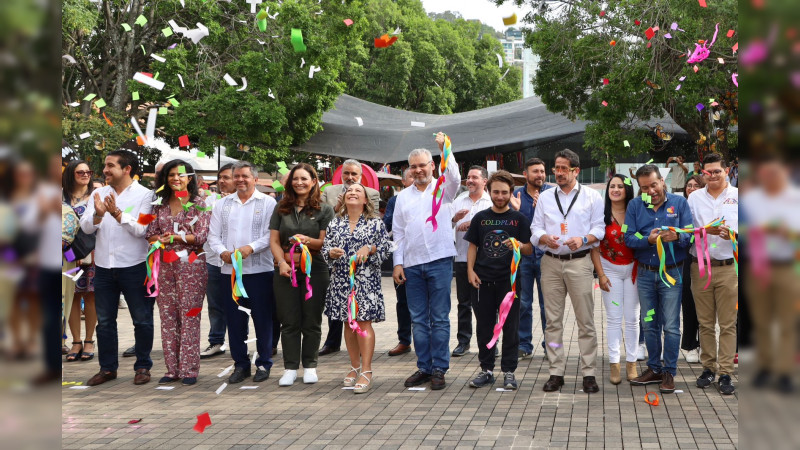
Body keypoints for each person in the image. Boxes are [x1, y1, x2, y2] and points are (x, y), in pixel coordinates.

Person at [530, 149, 604, 393]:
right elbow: (535, 228)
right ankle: (556, 372)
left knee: (586, 321)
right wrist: (543, 237)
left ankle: (589, 373)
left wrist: (583, 239)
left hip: (580, 262)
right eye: (557, 168)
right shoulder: (546, 197)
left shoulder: (592, 197)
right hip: (550, 263)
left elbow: (600, 230)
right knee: (553, 322)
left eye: (564, 168)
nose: (559, 173)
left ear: (576, 171)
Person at [80, 149, 155, 386]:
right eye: (105, 165)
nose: (105, 170)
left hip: (135, 266)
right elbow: (86, 227)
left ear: (127, 169)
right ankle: (107, 368)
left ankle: (142, 366)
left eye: (110, 165)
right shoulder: (99, 193)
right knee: (104, 322)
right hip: (104, 266)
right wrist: (98, 214)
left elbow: (143, 229)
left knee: (142, 320)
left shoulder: (146, 195)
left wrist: (117, 213)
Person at [393, 133, 461, 390]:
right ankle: (424, 367)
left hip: (439, 260)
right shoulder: (402, 197)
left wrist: (445, 149)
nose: (418, 170)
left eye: (423, 165)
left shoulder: (443, 188)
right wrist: (397, 263)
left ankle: (439, 368)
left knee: (439, 318)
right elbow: (398, 232)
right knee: (419, 319)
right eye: (414, 166)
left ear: (433, 165)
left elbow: (455, 177)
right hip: (412, 264)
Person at [625, 164, 692, 394]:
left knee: (671, 325)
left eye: (654, 185)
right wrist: (648, 240)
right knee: (649, 323)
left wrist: (677, 237)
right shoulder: (635, 205)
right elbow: (628, 237)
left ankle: (669, 372)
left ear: (662, 181)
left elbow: (690, 235)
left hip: (672, 274)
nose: (651, 191)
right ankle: (654, 368)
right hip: (645, 274)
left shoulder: (679, 203)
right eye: (645, 187)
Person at [208, 161, 278, 384]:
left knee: (263, 319)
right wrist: (222, 252)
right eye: (236, 176)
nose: (240, 180)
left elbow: (271, 235)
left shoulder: (268, 202)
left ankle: (264, 363)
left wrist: (251, 248)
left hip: (260, 270)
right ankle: (240, 364)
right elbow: (213, 236)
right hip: (229, 272)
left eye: (245, 176)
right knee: (235, 320)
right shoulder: (222, 204)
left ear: (255, 179)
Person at [145, 160, 211, 385]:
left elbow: (200, 236)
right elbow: (150, 233)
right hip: (164, 265)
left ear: (189, 178)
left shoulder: (199, 203)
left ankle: (189, 369)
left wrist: (173, 237)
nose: (176, 178)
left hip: (191, 266)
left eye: (180, 175)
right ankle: (171, 369)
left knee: (189, 315)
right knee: (167, 317)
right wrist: (161, 239)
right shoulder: (159, 204)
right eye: (171, 174)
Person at [465, 170, 532, 390]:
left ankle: (509, 371)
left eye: (504, 192)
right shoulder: (480, 218)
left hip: (509, 283)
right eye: (496, 192)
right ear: (489, 191)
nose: (500, 196)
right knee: (484, 327)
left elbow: (529, 249)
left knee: (510, 327)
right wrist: (470, 271)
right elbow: (472, 246)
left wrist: (518, 245)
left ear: (511, 192)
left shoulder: (519, 219)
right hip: (482, 281)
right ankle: (486, 370)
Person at [321, 183, 390, 393]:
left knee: (363, 323)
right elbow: (325, 249)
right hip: (341, 280)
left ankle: (366, 370)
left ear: (365, 200)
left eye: (357, 191)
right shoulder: (335, 223)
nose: (352, 192)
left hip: (365, 280)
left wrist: (370, 248)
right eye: (349, 191)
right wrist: (330, 253)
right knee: (348, 324)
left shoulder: (375, 223)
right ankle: (354, 366)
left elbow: (386, 248)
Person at [270, 163, 333, 386]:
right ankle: (289, 368)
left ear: (314, 181)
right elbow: (274, 241)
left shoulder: (324, 209)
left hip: (315, 269)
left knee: (311, 320)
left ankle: (310, 366)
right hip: (285, 270)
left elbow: (325, 243)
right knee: (289, 320)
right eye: (295, 179)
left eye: (304, 179)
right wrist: (281, 263)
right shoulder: (281, 207)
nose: (299, 183)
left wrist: (308, 240)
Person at [742, 154, 799, 393]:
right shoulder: (751, 199)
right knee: (761, 321)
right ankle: (765, 366)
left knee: (787, 323)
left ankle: (784, 372)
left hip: (788, 267)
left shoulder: (795, 197)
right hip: (758, 267)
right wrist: (757, 231)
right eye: (765, 173)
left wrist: (789, 232)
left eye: (775, 172)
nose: (770, 177)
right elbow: (741, 230)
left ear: (785, 172)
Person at [687, 153, 739, 395]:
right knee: (705, 323)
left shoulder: (739, 196)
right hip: (701, 267)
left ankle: (726, 372)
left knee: (728, 324)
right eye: (707, 172)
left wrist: (733, 235)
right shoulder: (694, 198)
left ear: (726, 171)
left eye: (717, 171)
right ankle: (708, 368)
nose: (712, 176)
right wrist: (704, 231)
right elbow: (686, 230)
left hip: (729, 267)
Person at [318, 159, 381, 356]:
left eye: (354, 174)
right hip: (339, 268)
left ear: (361, 176)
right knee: (342, 314)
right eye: (347, 173)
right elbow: (324, 224)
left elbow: (374, 226)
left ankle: (364, 356)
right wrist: (337, 208)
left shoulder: (371, 194)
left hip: (364, 271)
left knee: (362, 318)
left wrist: (369, 248)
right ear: (341, 174)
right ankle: (333, 343)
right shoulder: (328, 192)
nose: (350, 177)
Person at [589, 174, 639, 385]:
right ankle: (614, 363)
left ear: (628, 190)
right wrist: (600, 275)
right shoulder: (600, 214)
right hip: (610, 271)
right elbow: (594, 247)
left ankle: (632, 363)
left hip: (634, 271)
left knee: (633, 318)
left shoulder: (636, 211)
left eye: (620, 186)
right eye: (612, 186)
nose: (616, 190)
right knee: (613, 318)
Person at [510, 157, 553, 359]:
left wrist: (543, 209)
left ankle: (550, 346)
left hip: (547, 257)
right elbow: (510, 224)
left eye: (542, 171)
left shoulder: (552, 195)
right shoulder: (516, 195)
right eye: (535, 171)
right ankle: (523, 345)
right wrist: (515, 211)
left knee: (548, 306)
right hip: (523, 257)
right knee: (524, 303)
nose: (540, 175)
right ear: (525, 174)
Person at [450, 165, 491, 357]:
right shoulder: (458, 200)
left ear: (485, 181)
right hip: (461, 257)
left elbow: (494, 229)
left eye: (475, 177)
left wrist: (473, 225)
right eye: (468, 177)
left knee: (486, 304)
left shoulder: (491, 202)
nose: (470, 181)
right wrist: (454, 220)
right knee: (463, 303)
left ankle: (490, 342)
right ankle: (463, 341)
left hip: (485, 261)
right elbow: (445, 226)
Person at [61, 160, 97, 362]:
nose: (85, 175)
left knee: (90, 295)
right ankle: (75, 341)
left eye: (88, 172)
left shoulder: (96, 196)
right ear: (70, 174)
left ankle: (89, 340)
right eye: (80, 172)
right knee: (72, 295)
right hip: (66, 256)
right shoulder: (60, 196)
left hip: (90, 254)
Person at [200, 163, 235, 360]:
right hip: (213, 259)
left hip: (238, 261)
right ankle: (216, 341)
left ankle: (240, 341)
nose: (222, 181)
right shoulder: (209, 201)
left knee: (238, 304)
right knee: (214, 304)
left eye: (226, 177)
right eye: (220, 177)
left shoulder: (243, 201)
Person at [383, 168, 414, 356]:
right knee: (403, 301)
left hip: (426, 258)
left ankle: (425, 341)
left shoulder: (431, 197)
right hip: (402, 256)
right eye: (411, 176)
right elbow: (387, 225)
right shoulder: (396, 201)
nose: (415, 178)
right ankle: (404, 340)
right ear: (403, 182)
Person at [680, 174, 706, 364]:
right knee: (689, 303)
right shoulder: (681, 206)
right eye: (689, 185)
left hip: (708, 257)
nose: (691, 188)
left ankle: (707, 345)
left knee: (707, 307)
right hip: (687, 258)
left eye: (696, 185)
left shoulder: (706, 205)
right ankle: (690, 345)